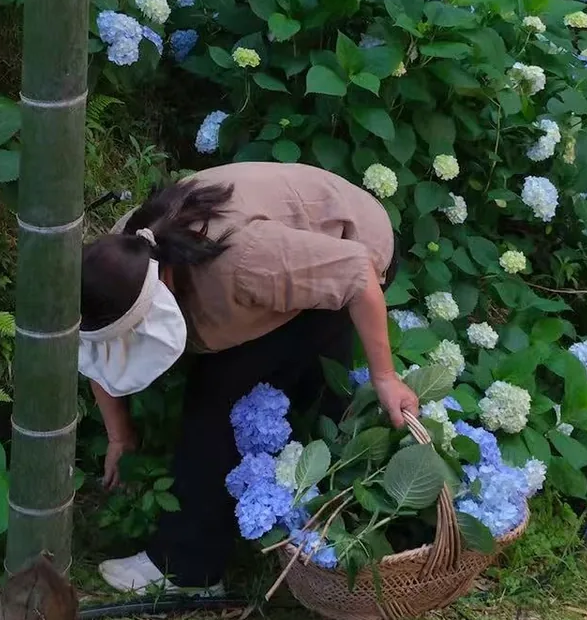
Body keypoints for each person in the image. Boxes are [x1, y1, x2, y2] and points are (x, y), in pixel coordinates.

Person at [78, 160, 417, 595]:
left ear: (161, 289)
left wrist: (385, 378)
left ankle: (189, 569)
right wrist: (120, 436)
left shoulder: (245, 262)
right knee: (278, 393)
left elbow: (356, 274)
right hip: (281, 253)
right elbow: (100, 350)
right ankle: (278, 527)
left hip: (348, 247)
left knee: (220, 401)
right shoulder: (122, 254)